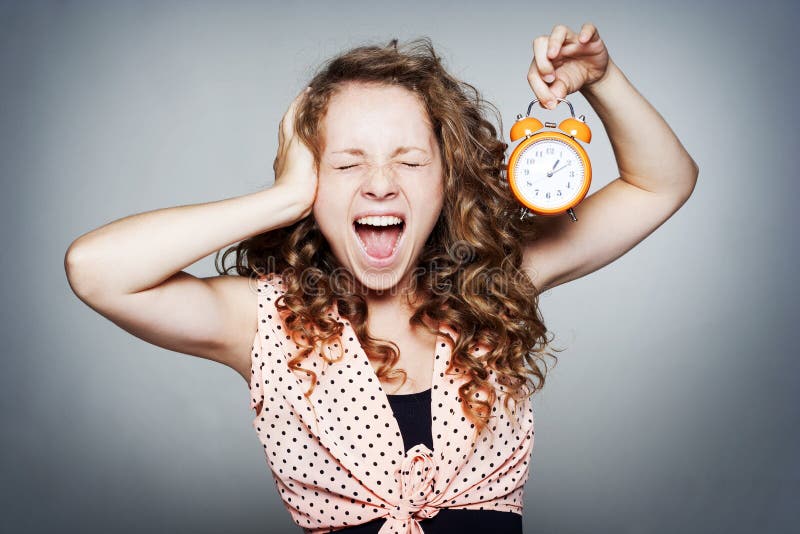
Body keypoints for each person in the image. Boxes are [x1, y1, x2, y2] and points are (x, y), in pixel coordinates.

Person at [64, 23, 698, 534]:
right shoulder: (261, 321)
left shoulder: (494, 283)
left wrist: (602, 79)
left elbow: (662, 182)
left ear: (448, 179)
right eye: (347, 163)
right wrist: (284, 197)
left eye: (410, 159)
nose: (379, 183)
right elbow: (95, 271)